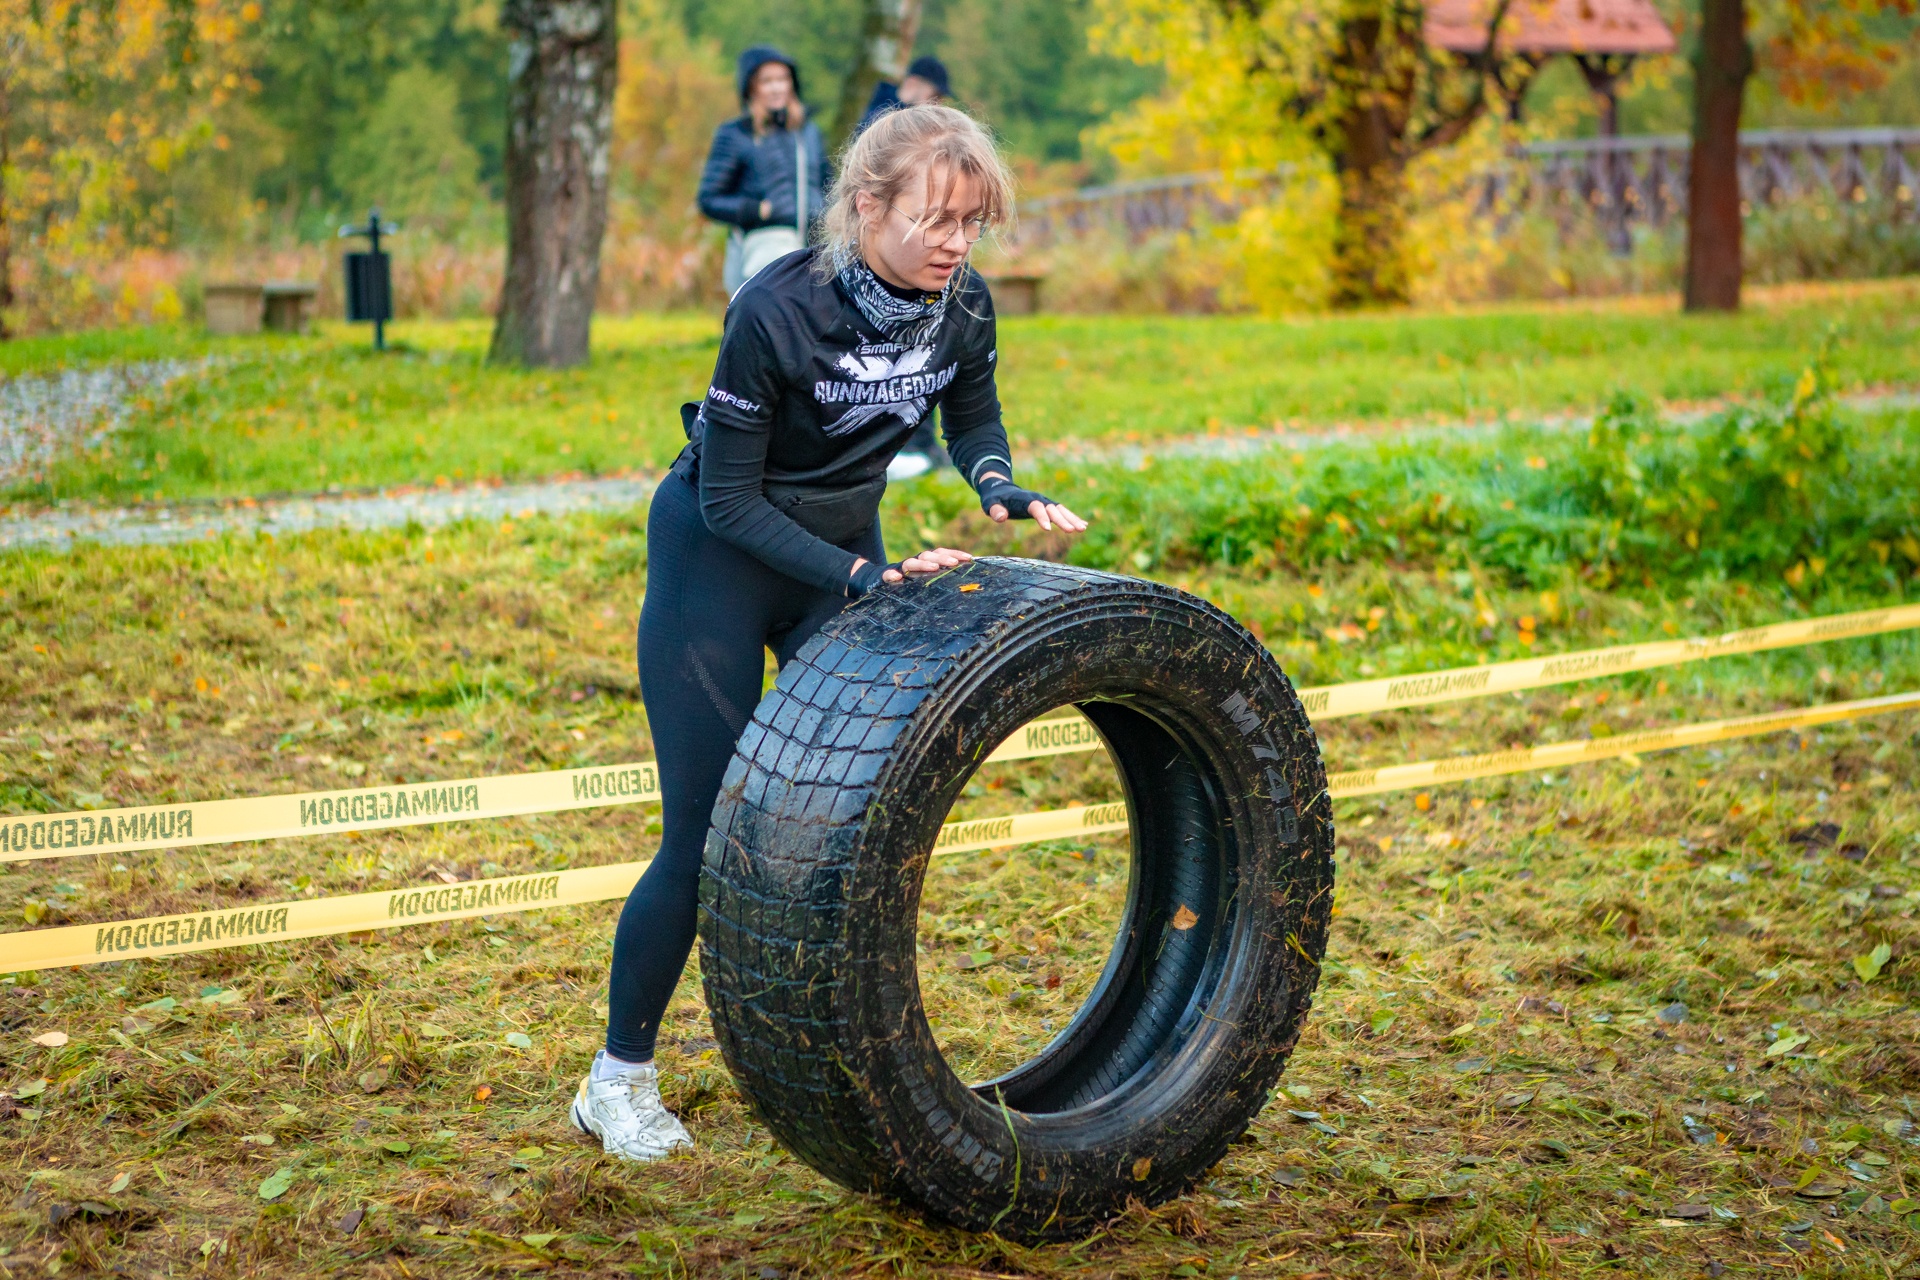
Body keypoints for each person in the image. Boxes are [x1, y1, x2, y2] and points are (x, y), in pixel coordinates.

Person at [572, 105, 1090, 1162]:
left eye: (973, 224)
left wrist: (997, 485)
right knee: (706, 837)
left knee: (841, 823)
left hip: (844, 557)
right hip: (718, 567)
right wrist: (865, 575)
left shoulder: (962, 306)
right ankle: (615, 1080)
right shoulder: (775, 309)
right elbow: (726, 498)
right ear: (868, 207)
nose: (955, 244)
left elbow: (971, 417)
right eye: (936, 219)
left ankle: (832, 1054)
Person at [859, 56, 955, 481]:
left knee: (924, 357)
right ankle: (887, 450)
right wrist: (897, 103)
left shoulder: (939, 129)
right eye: (926, 92)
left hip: (926, 264)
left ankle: (926, 445)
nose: (928, 102)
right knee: (886, 361)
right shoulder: (878, 117)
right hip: (882, 264)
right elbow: (863, 168)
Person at [699, 46, 835, 295]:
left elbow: (829, 184)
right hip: (766, 249)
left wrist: (830, 215)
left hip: (816, 247)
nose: (777, 88)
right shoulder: (736, 134)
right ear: (751, 88)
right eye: (766, 81)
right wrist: (755, 210)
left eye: (782, 79)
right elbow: (709, 199)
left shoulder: (808, 133)